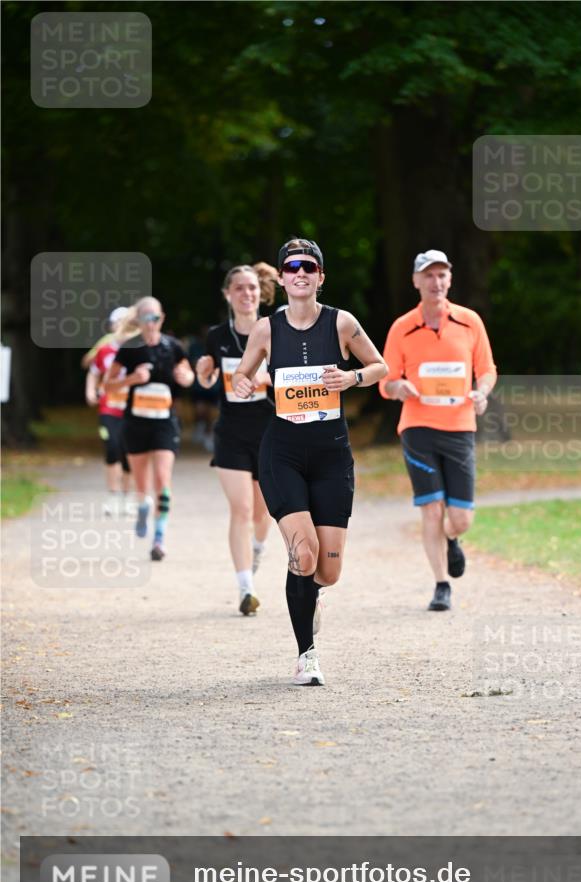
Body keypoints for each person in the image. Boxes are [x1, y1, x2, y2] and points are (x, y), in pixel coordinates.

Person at [232, 238, 387, 686]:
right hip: (282, 454)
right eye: (292, 267)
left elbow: (380, 367)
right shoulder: (266, 329)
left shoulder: (342, 323)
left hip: (331, 456)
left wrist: (352, 377)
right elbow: (242, 372)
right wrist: (242, 383)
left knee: (328, 571)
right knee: (303, 554)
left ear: (320, 277)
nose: (300, 273)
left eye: (309, 267)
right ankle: (306, 656)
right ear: (282, 279)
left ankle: (310, 593)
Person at [379, 250, 497, 611]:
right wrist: (397, 387)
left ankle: (451, 538)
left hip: (460, 427)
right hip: (418, 429)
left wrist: (482, 393)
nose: (436, 282)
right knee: (431, 509)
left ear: (450, 279)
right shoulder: (402, 327)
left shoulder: (469, 321)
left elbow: (487, 370)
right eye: (428, 275)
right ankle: (441, 584)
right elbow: (385, 380)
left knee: (460, 519)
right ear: (416, 281)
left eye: (442, 274)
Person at [195, 263, 278, 616]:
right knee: (241, 509)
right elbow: (207, 379)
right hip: (230, 432)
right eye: (239, 288)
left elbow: (292, 376)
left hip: (270, 432)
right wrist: (202, 374)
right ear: (228, 295)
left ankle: (257, 549)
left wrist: (264, 379)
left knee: (263, 512)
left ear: (260, 292)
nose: (246, 293)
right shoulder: (217, 336)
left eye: (252, 287)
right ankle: (246, 588)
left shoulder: (276, 330)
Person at [105, 297, 194, 561]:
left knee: (162, 481)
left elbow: (189, 375)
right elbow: (107, 386)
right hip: (136, 423)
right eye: (146, 318)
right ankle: (143, 508)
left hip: (165, 423)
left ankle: (159, 538)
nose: (151, 323)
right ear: (138, 321)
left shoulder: (173, 347)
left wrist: (185, 378)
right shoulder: (129, 349)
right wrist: (132, 379)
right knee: (142, 486)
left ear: (162, 319)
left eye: (155, 318)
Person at [84, 307, 132, 514]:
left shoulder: (138, 349)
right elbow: (93, 371)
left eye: (126, 322)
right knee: (112, 447)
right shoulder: (104, 349)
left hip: (132, 409)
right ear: (112, 326)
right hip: (108, 408)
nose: (122, 326)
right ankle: (112, 496)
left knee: (129, 452)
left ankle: (127, 496)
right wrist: (90, 391)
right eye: (118, 322)